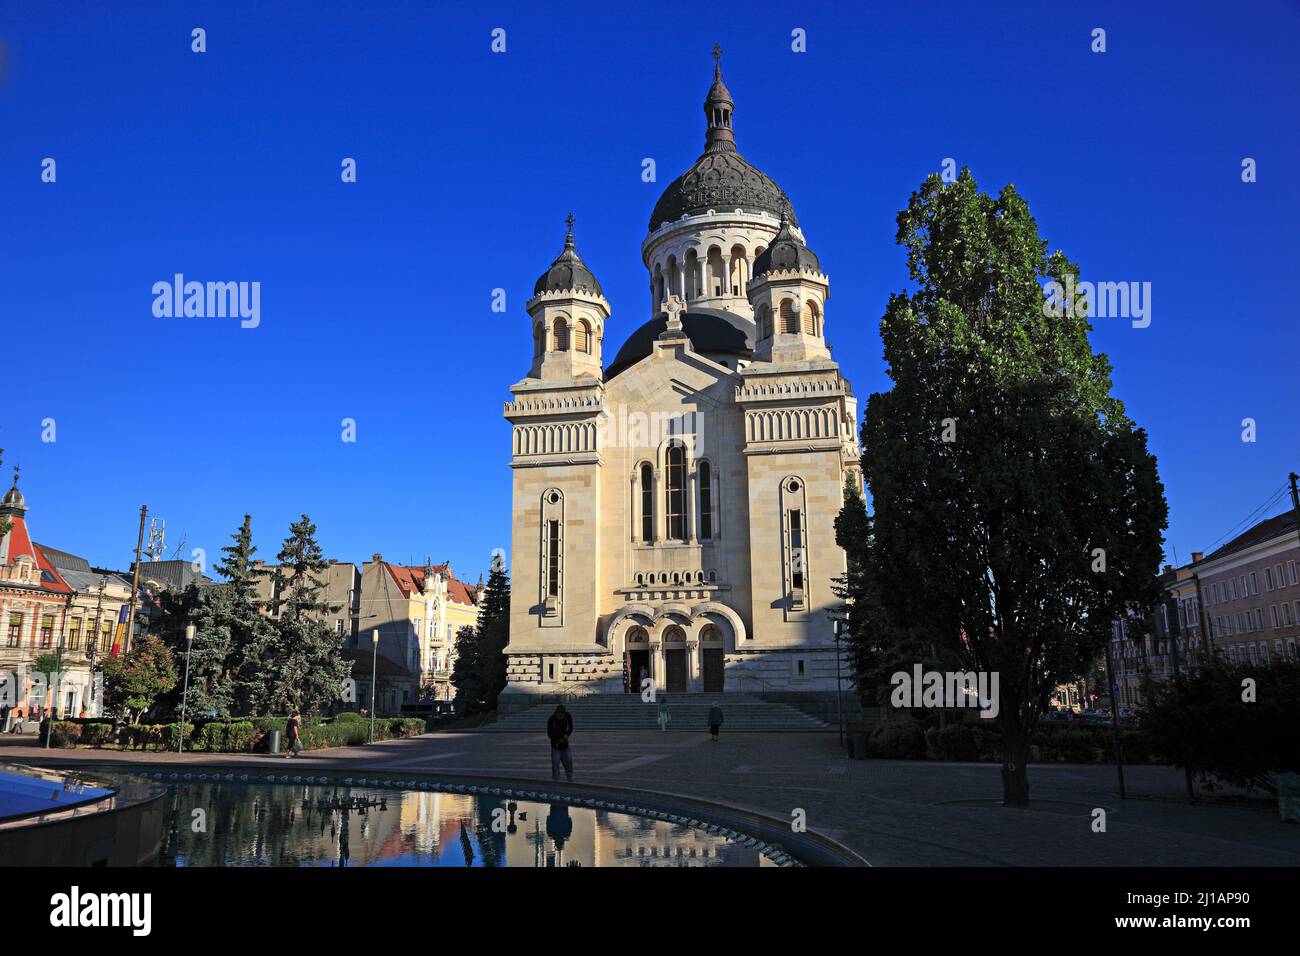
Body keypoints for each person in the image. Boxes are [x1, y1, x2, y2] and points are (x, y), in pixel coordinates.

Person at [547, 704, 573, 781]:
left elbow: (570, 727)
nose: (560, 716)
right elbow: (550, 733)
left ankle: (570, 778)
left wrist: (567, 735)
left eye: (562, 715)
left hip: (565, 745)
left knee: (568, 762)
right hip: (555, 745)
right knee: (555, 764)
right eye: (559, 715)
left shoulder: (568, 716)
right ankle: (556, 779)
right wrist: (558, 739)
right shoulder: (551, 720)